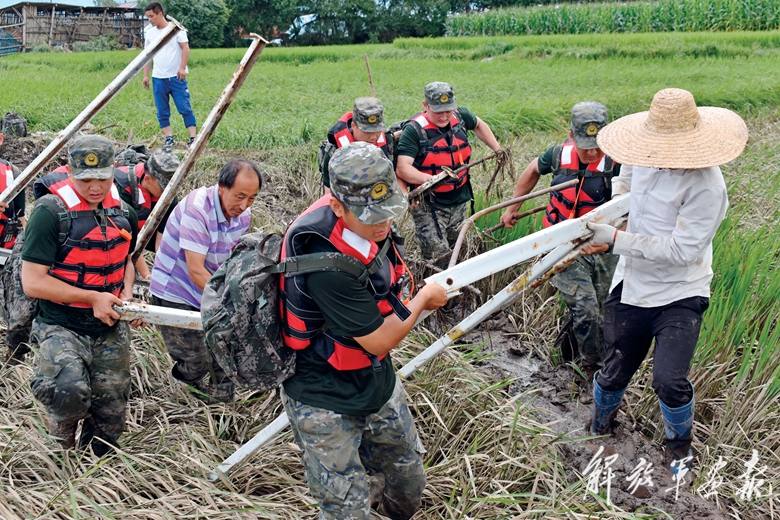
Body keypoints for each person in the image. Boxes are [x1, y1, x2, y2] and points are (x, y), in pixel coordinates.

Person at [280, 141, 448, 519]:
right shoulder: (325, 264)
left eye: (388, 211)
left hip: (374, 380)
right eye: (372, 216)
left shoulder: (370, 221)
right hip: (322, 394)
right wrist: (424, 299)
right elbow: (379, 339)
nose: (384, 224)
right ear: (337, 206)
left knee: (409, 481)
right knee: (346, 510)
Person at [584, 88, 748, 472]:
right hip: (633, 282)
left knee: (668, 380)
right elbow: (626, 179)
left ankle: (680, 450)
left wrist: (615, 240)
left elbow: (681, 251)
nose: (659, 156)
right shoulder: (642, 156)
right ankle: (599, 426)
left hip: (681, 290)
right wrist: (616, 210)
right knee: (614, 371)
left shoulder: (706, 186)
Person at [22, 135, 140, 455]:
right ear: (70, 171)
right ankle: (61, 442)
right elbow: (32, 282)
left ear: (114, 170)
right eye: (85, 179)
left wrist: (127, 294)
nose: (95, 187)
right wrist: (92, 298)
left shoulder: (124, 211)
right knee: (68, 391)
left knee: (110, 416)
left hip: (108, 327)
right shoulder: (49, 213)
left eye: (102, 178)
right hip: (61, 322)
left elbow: (126, 260)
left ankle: (97, 467)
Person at [499, 102, 621, 369]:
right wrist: (512, 208)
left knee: (596, 309)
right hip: (561, 245)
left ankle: (563, 358)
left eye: (598, 145)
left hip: (602, 247)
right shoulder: (557, 155)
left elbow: (634, 210)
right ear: (571, 135)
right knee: (586, 306)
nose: (592, 152)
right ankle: (594, 370)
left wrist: (611, 240)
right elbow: (532, 170)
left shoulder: (618, 163)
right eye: (585, 146)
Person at [150, 159, 261, 402]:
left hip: (210, 288)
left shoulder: (243, 215)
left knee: (227, 350)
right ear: (222, 187)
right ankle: (185, 393)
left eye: (251, 198)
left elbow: (232, 260)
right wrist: (229, 304)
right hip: (176, 291)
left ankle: (222, 407)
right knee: (196, 359)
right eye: (239, 196)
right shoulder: (197, 210)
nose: (244, 205)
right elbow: (196, 271)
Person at [395, 82, 502, 265]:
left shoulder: (460, 116)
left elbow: (478, 124)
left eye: (448, 110)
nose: (444, 116)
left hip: (459, 199)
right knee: (439, 260)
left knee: (458, 251)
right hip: (429, 205)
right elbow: (402, 168)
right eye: (438, 111)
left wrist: (497, 149)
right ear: (425, 105)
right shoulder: (414, 131)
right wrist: (429, 180)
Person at [114, 148, 179, 279]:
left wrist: (162, 272)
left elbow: (162, 240)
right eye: (164, 188)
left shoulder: (169, 197)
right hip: (118, 235)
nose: (168, 192)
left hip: (144, 232)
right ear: (148, 179)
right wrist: (147, 275)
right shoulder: (120, 187)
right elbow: (125, 238)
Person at [143, 2, 196, 148]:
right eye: (148, 17)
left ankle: (193, 137)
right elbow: (147, 55)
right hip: (158, 78)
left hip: (176, 77)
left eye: (152, 16)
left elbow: (185, 48)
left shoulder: (175, 29)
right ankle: (169, 138)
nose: (150, 20)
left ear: (160, 14)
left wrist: (182, 68)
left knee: (184, 107)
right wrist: (146, 75)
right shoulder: (150, 34)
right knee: (162, 110)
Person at [320, 97, 393, 191]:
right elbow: (329, 193)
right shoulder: (334, 151)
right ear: (353, 126)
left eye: (377, 130)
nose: (373, 137)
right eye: (367, 131)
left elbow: (395, 180)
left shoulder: (388, 142)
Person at [0, 130, 29, 360]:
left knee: (19, 309)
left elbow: (20, 217)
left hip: (5, 253)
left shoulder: (13, 174)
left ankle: (13, 358)